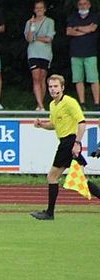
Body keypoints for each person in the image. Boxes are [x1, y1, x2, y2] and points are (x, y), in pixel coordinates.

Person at [30, 74, 100, 220]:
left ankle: (49, 213)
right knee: (81, 180)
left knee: (52, 176)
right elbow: (54, 125)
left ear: (62, 88)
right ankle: (49, 213)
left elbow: (82, 123)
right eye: (50, 86)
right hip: (66, 142)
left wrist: (77, 143)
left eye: (56, 86)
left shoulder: (69, 102)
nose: (52, 89)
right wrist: (42, 125)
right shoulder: (52, 105)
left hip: (69, 142)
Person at [65, 0, 99, 106]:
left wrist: (77, 28)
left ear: (89, 5)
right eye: (80, 4)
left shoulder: (94, 17)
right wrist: (85, 30)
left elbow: (92, 29)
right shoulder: (73, 17)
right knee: (78, 79)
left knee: (93, 79)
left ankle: (97, 103)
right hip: (75, 53)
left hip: (90, 53)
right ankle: (82, 103)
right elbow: (68, 32)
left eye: (85, 4)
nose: (82, 6)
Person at [24, 1, 56, 111]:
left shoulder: (50, 21)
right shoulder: (29, 22)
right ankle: (40, 104)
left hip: (45, 53)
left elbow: (49, 39)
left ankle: (40, 104)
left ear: (45, 9)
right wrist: (31, 26)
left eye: (41, 8)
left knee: (42, 77)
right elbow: (29, 39)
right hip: (33, 53)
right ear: (34, 10)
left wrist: (36, 38)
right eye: (37, 8)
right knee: (36, 77)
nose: (39, 10)